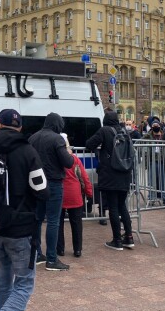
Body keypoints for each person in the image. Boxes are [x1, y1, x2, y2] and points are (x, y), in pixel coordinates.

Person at [0, 109, 48, 311]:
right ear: (20, 127)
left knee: (3, 284)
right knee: (24, 284)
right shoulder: (27, 151)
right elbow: (42, 190)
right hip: (21, 228)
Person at [29, 112, 74, 271]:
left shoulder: (33, 138)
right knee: (53, 221)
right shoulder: (57, 139)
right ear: (58, 124)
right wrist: (68, 149)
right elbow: (68, 162)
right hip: (53, 183)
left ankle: (36, 254)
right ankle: (52, 259)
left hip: (36, 183)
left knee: (37, 219)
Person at [85, 110, 135, 251]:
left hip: (110, 174)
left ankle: (117, 240)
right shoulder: (124, 131)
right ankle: (129, 237)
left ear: (105, 120)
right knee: (122, 206)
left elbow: (89, 144)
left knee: (112, 207)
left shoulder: (105, 131)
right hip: (125, 173)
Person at [57, 133, 92, 257]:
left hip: (59, 194)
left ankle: (60, 249)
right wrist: (89, 192)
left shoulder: (54, 159)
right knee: (76, 223)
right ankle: (77, 249)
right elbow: (84, 177)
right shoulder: (75, 159)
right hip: (74, 194)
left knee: (58, 223)